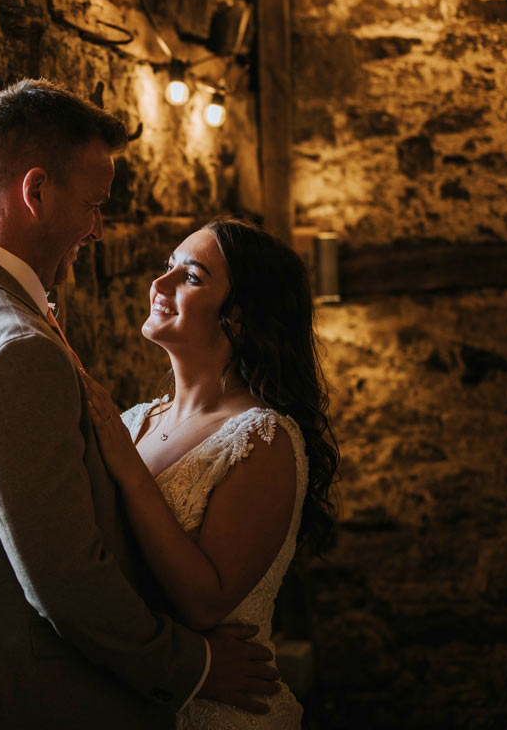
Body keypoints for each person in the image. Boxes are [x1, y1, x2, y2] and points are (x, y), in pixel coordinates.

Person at [0, 80, 281, 730]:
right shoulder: (15, 348)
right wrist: (195, 665)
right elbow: (67, 579)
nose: (99, 230)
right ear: (35, 192)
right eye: (94, 204)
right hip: (14, 701)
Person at [82, 217, 341, 729]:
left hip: (219, 711)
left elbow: (204, 603)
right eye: (168, 267)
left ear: (238, 319)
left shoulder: (262, 439)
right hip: (131, 699)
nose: (160, 285)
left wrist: (128, 470)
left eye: (192, 277)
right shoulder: (134, 422)